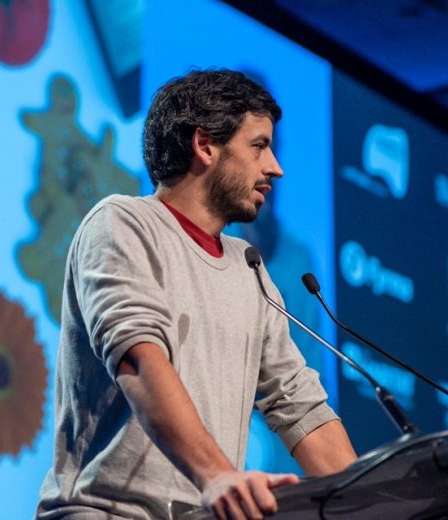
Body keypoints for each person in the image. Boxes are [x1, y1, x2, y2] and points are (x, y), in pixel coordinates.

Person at [36, 69, 356, 519]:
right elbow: (138, 359)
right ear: (205, 145)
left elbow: (298, 404)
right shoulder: (122, 224)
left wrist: (366, 502)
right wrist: (217, 475)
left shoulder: (250, 268)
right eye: (259, 146)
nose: (275, 168)